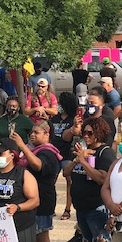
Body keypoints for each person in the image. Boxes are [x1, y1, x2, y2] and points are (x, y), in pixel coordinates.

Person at [63, 117, 116, 242]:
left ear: (99, 133)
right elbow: (65, 173)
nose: (85, 135)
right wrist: (77, 159)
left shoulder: (105, 153)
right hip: (82, 208)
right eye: (83, 132)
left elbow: (101, 178)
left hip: (97, 208)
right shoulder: (83, 152)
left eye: (89, 133)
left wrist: (84, 161)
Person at [12, 121, 61, 242]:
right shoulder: (33, 149)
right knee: (33, 239)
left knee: (42, 237)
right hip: (30, 200)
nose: (32, 135)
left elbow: (38, 165)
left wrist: (22, 146)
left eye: (37, 133)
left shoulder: (48, 152)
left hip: (43, 200)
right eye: (31, 133)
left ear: (47, 134)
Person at [51, 92, 77, 221]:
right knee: (51, 182)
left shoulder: (73, 119)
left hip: (68, 154)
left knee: (69, 182)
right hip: (54, 154)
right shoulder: (54, 118)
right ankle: (51, 208)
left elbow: (68, 137)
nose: (58, 105)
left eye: (60, 102)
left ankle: (67, 209)